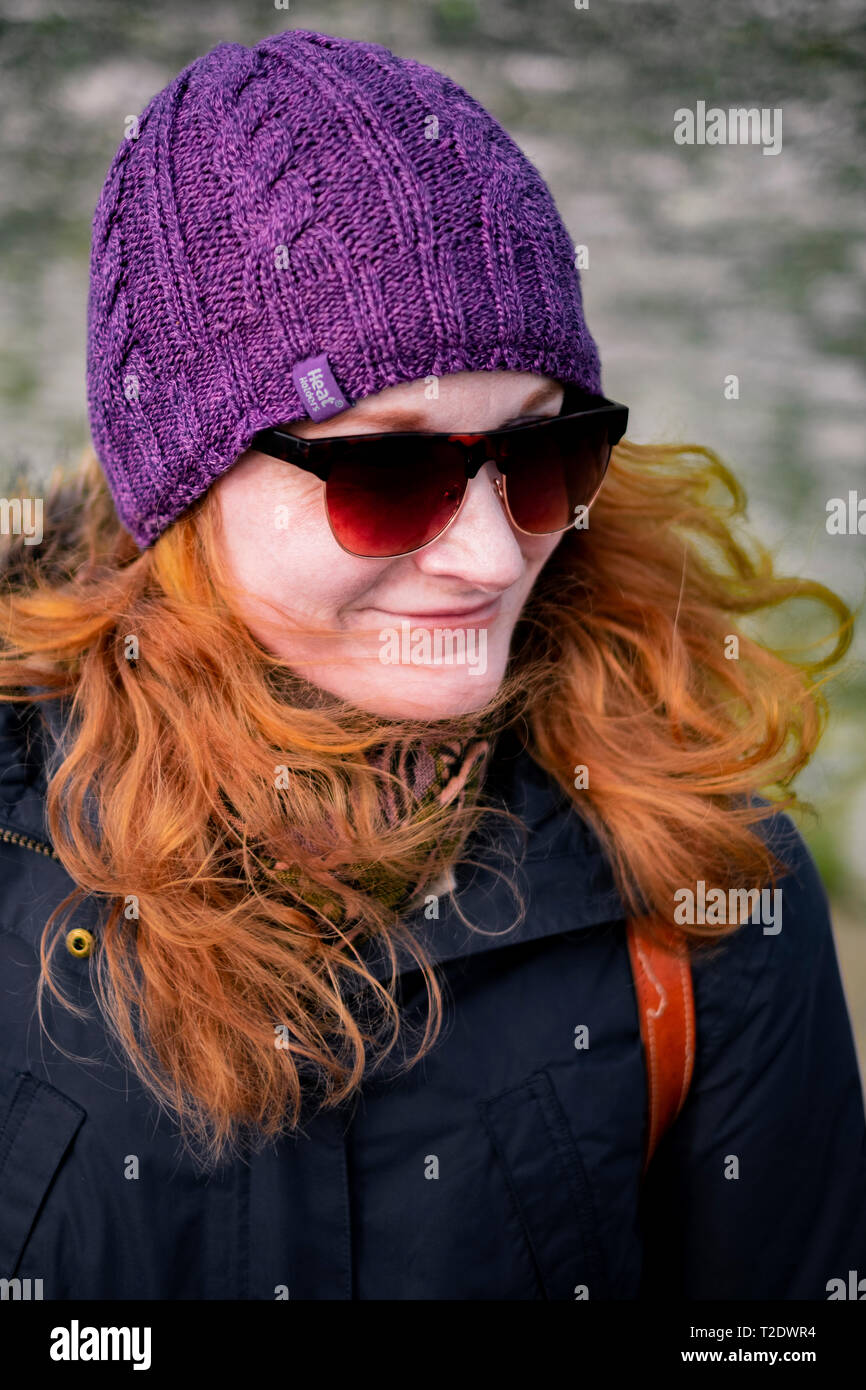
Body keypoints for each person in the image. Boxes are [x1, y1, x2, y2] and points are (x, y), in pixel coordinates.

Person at [0, 27, 863, 1302]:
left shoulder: (706, 885)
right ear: (180, 487)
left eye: (536, 457)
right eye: (386, 473)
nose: (482, 556)